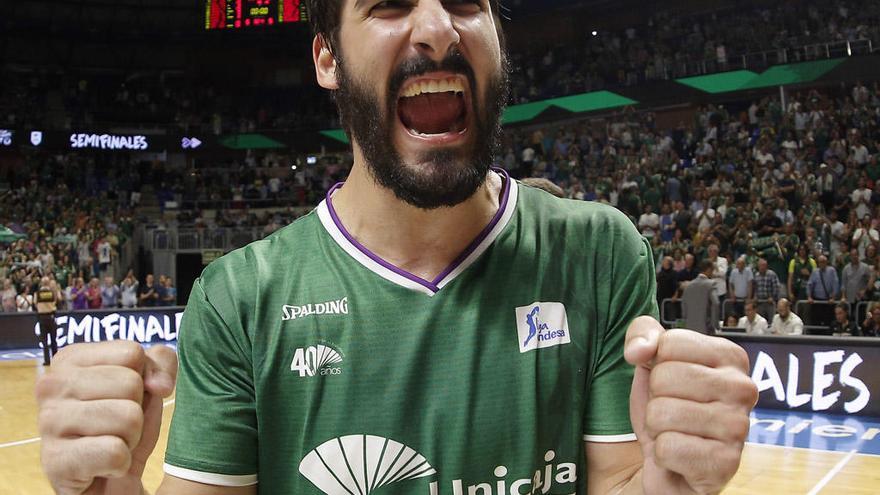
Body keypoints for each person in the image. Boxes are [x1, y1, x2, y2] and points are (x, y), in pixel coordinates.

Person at [35, 3, 756, 495]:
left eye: (468, 2)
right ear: (326, 57)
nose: (440, 28)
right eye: (387, 3)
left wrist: (668, 483)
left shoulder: (599, 251)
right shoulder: (238, 297)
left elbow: (622, 481)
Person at [681, 259, 719, 334]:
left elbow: (683, 307)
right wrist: (715, 324)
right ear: (709, 269)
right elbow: (716, 303)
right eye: (712, 270)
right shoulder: (711, 284)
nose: (713, 273)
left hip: (690, 328)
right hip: (705, 328)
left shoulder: (688, 286)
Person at [806, 255, 839, 326]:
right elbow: (809, 284)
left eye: (823, 262)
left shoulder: (832, 270)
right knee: (815, 322)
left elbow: (835, 284)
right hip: (817, 301)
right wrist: (809, 297)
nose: (822, 264)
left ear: (826, 262)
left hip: (828, 301)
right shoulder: (815, 272)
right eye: (820, 262)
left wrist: (833, 297)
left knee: (828, 323)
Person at [35, 276, 59, 366]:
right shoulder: (53, 292)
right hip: (51, 317)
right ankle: (56, 359)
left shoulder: (37, 293)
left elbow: (35, 303)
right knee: (53, 340)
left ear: (41, 283)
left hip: (42, 318)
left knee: (44, 341)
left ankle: (47, 361)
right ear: (48, 283)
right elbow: (57, 300)